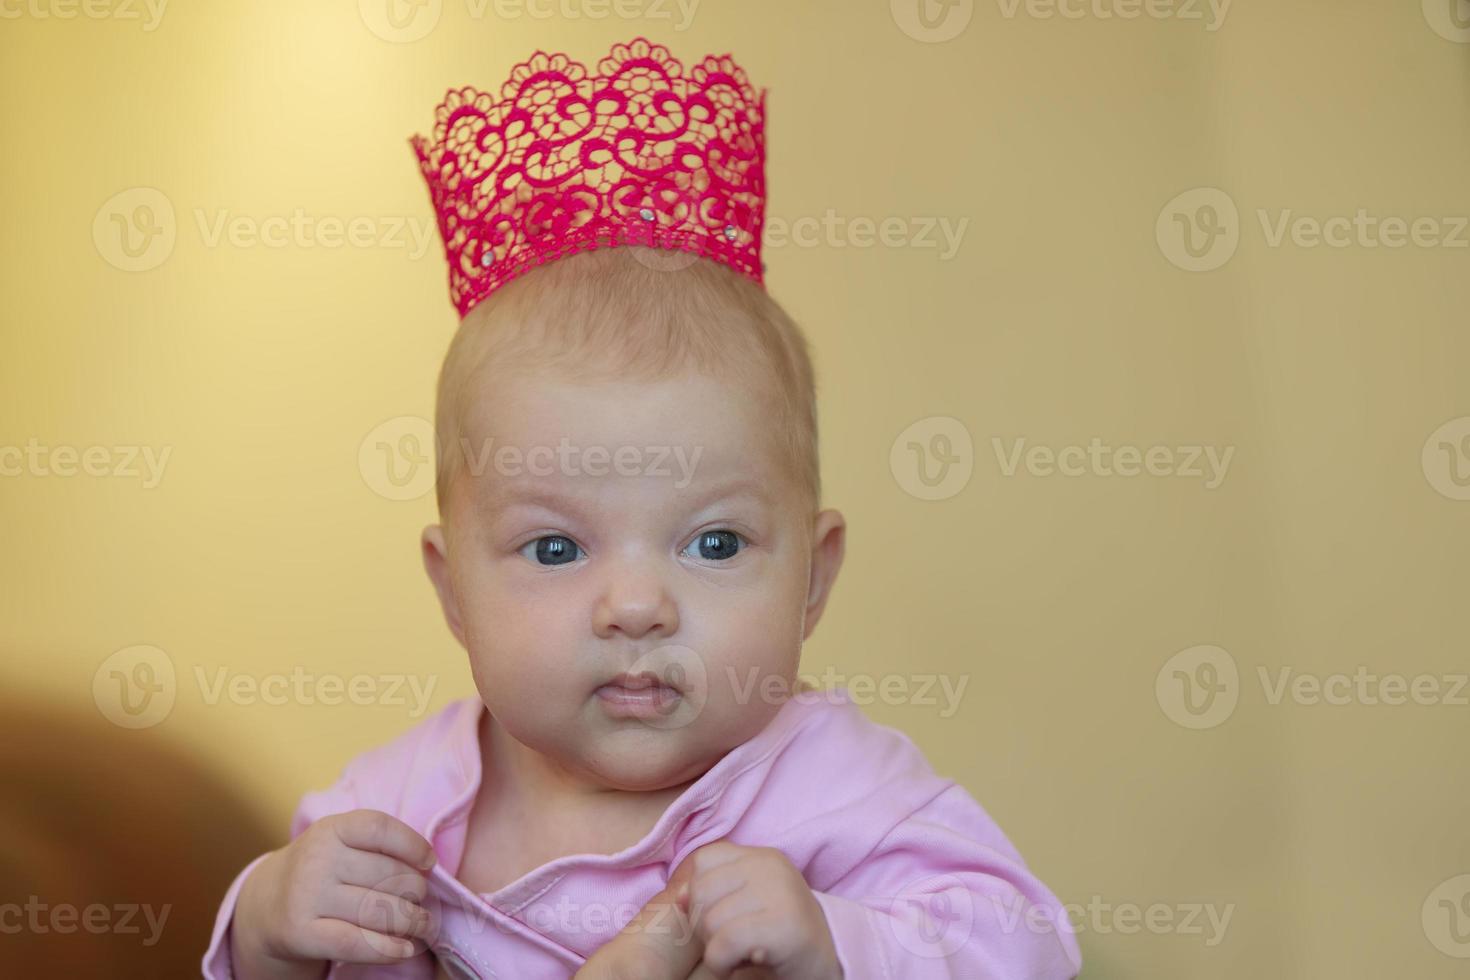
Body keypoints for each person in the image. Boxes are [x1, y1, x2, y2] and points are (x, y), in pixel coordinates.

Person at [202, 37, 1081, 980]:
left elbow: (1022, 940)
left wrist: (840, 944)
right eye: (552, 549)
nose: (635, 606)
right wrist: (263, 930)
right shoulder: (397, 802)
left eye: (712, 540)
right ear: (452, 588)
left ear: (813, 578)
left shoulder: (832, 783)